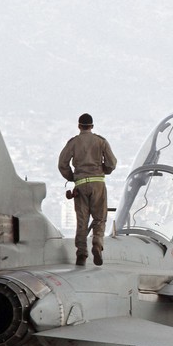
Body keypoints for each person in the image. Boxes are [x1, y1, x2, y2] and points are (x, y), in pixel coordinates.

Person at [58, 113, 117, 266]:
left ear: (79, 126)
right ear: (92, 126)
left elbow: (62, 164)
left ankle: (81, 254)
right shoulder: (101, 141)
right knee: (99, 218)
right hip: (98, 184)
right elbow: (112, 163)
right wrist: (105, 170)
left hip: (81, 184)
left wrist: (72, 177)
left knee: (82, 221)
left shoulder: (73, 143)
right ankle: (97, 244)